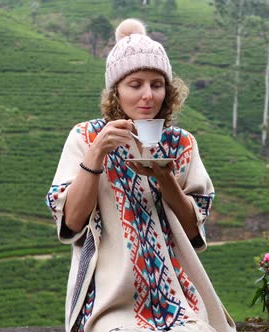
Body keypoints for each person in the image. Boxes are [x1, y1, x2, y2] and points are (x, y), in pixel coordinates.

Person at [45, 18, 236, 332]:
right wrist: (96, 155)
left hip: (178, 296)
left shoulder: (182, 143)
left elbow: (193, 229)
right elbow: (71, 223)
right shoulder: (85, 137)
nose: (148, 95)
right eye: (135, 84)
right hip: (109, 299)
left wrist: (165, 177)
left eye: (157, 84)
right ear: (116, 92)